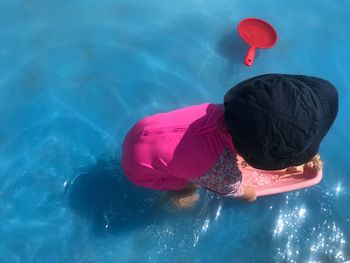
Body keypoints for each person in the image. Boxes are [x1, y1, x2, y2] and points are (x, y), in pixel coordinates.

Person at [121, 74, 338, 207]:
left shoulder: (232, 110)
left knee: (188, 161)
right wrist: (250, 194)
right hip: (144, 173)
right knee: (191, 186)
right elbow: (244, 193)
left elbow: (265, 129)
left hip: (140, 132)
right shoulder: (222, 172)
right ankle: (178, 194)